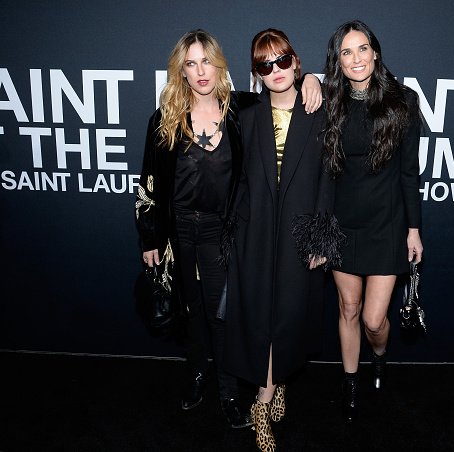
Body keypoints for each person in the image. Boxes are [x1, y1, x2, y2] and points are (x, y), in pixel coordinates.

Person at [134, 29, 322, 429]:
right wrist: (150, 237)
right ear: (181, 71)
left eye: (207, 61)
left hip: (223, 233)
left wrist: (311, 79)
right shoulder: (164, 118)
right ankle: (198, 377)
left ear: (219, 64)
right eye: (191, 63)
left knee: (224, 314)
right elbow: (149, 182)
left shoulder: (241, 109)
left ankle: (229, 392)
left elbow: (282, 91)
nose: (200, 71)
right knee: (191, 311)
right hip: (179, 232)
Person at [222, 29, 343, 451]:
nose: (275, 70)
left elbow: (329, 178)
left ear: (296, 60)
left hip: (299, 234)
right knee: (261, 321)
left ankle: (266, 394)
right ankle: (264, 400)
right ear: (254, 73)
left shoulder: (321, 110)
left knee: (288, 319)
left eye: (282, 60)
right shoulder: (246, 113)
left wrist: (321, 238)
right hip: (253, 236)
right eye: (264, 64)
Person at [322, 20, 424, 423]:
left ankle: (379, 356)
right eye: (346, 52)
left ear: (375, 53)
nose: (356, 58)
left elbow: (409, 172)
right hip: (342, 225)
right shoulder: (330, 103)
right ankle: (350, 383)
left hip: (387, 224)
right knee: (348, 307)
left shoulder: (403, 102)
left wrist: (413, 229)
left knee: (373, 319)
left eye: (362, 49)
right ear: (338, 61)